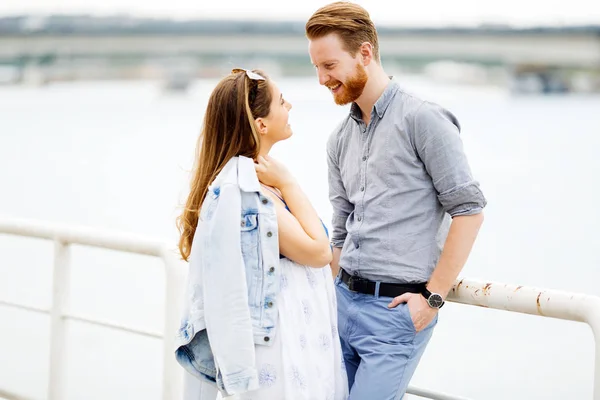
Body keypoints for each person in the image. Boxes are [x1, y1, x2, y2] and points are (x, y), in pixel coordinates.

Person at [305, 2, 487, 399]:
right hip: (340, 306)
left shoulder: (424, 120)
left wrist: (432, 299)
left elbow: (469, 212)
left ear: (365, 53)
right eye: (316, 67)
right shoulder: (339, 139)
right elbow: (341, 226)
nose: (321, 78)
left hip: (394, 316)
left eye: (329, 65)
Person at [174, 68, 348, 400]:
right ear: (261, 125)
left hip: (285, 340)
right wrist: (289, 183)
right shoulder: (251, 194)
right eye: (282, 102)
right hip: (278, 350)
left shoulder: (243, 183)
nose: (290, 106)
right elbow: (319, 252)